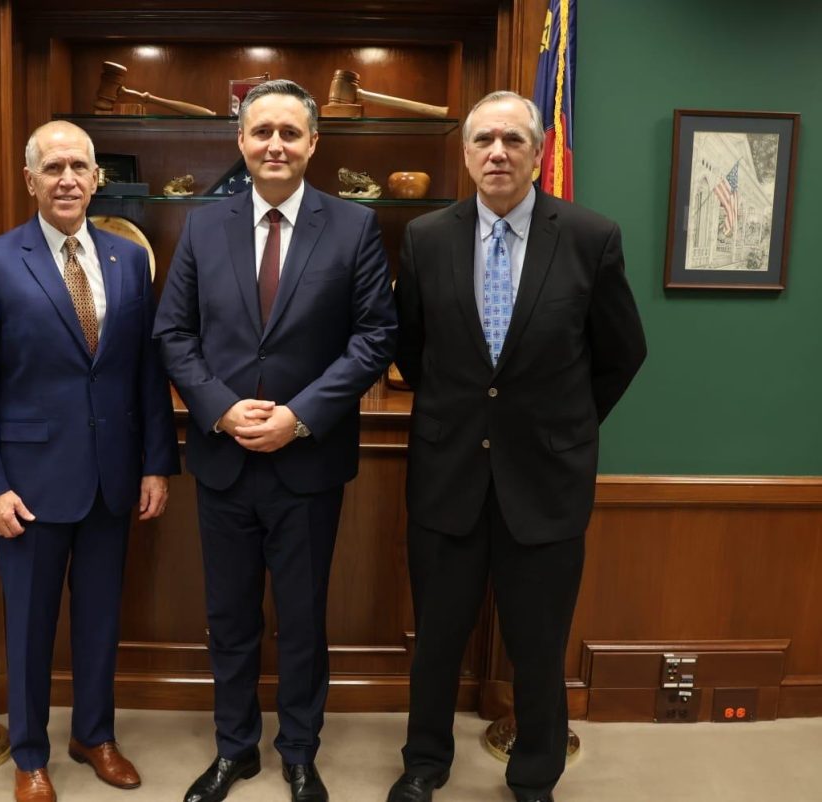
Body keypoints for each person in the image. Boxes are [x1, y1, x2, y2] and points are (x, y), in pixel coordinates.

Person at [387, 90, 646, 802]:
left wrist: (564, 427)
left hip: (546, 479)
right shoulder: (427, 238)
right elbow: (411, 347)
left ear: (538, 153)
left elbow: (622, 352)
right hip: (448, 475)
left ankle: (534, 775)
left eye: (513, 140)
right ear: (466, 153)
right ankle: (423, 763)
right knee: (437, 640)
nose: (497, 153)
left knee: (538, 645)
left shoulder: (590, 237)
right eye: (483, 141)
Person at [153, 79, 396, 802]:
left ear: (314, 143)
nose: (275, 145)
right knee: (229, 618)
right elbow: (174, 333)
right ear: (241, 141)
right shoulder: (204, 226)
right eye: (262, 132)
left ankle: (298, 751)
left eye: (290, 132)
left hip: (309, 461)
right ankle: (235, 749)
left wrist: (300, 415)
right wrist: (222, 409)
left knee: (302, 620)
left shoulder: (353, 227)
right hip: (223, 461)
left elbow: (374, 337)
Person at [0, 120, 179, 802]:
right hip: (27, 488)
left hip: (112, 478)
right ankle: (29, 755)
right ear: (31, 180)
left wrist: (156, 463)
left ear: (96, 177)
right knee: (29, 627)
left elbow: (146, 373)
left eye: (80, 167)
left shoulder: (129, 260)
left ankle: (94, 736)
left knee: (101, 618)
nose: (69, 179)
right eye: (54, 168)